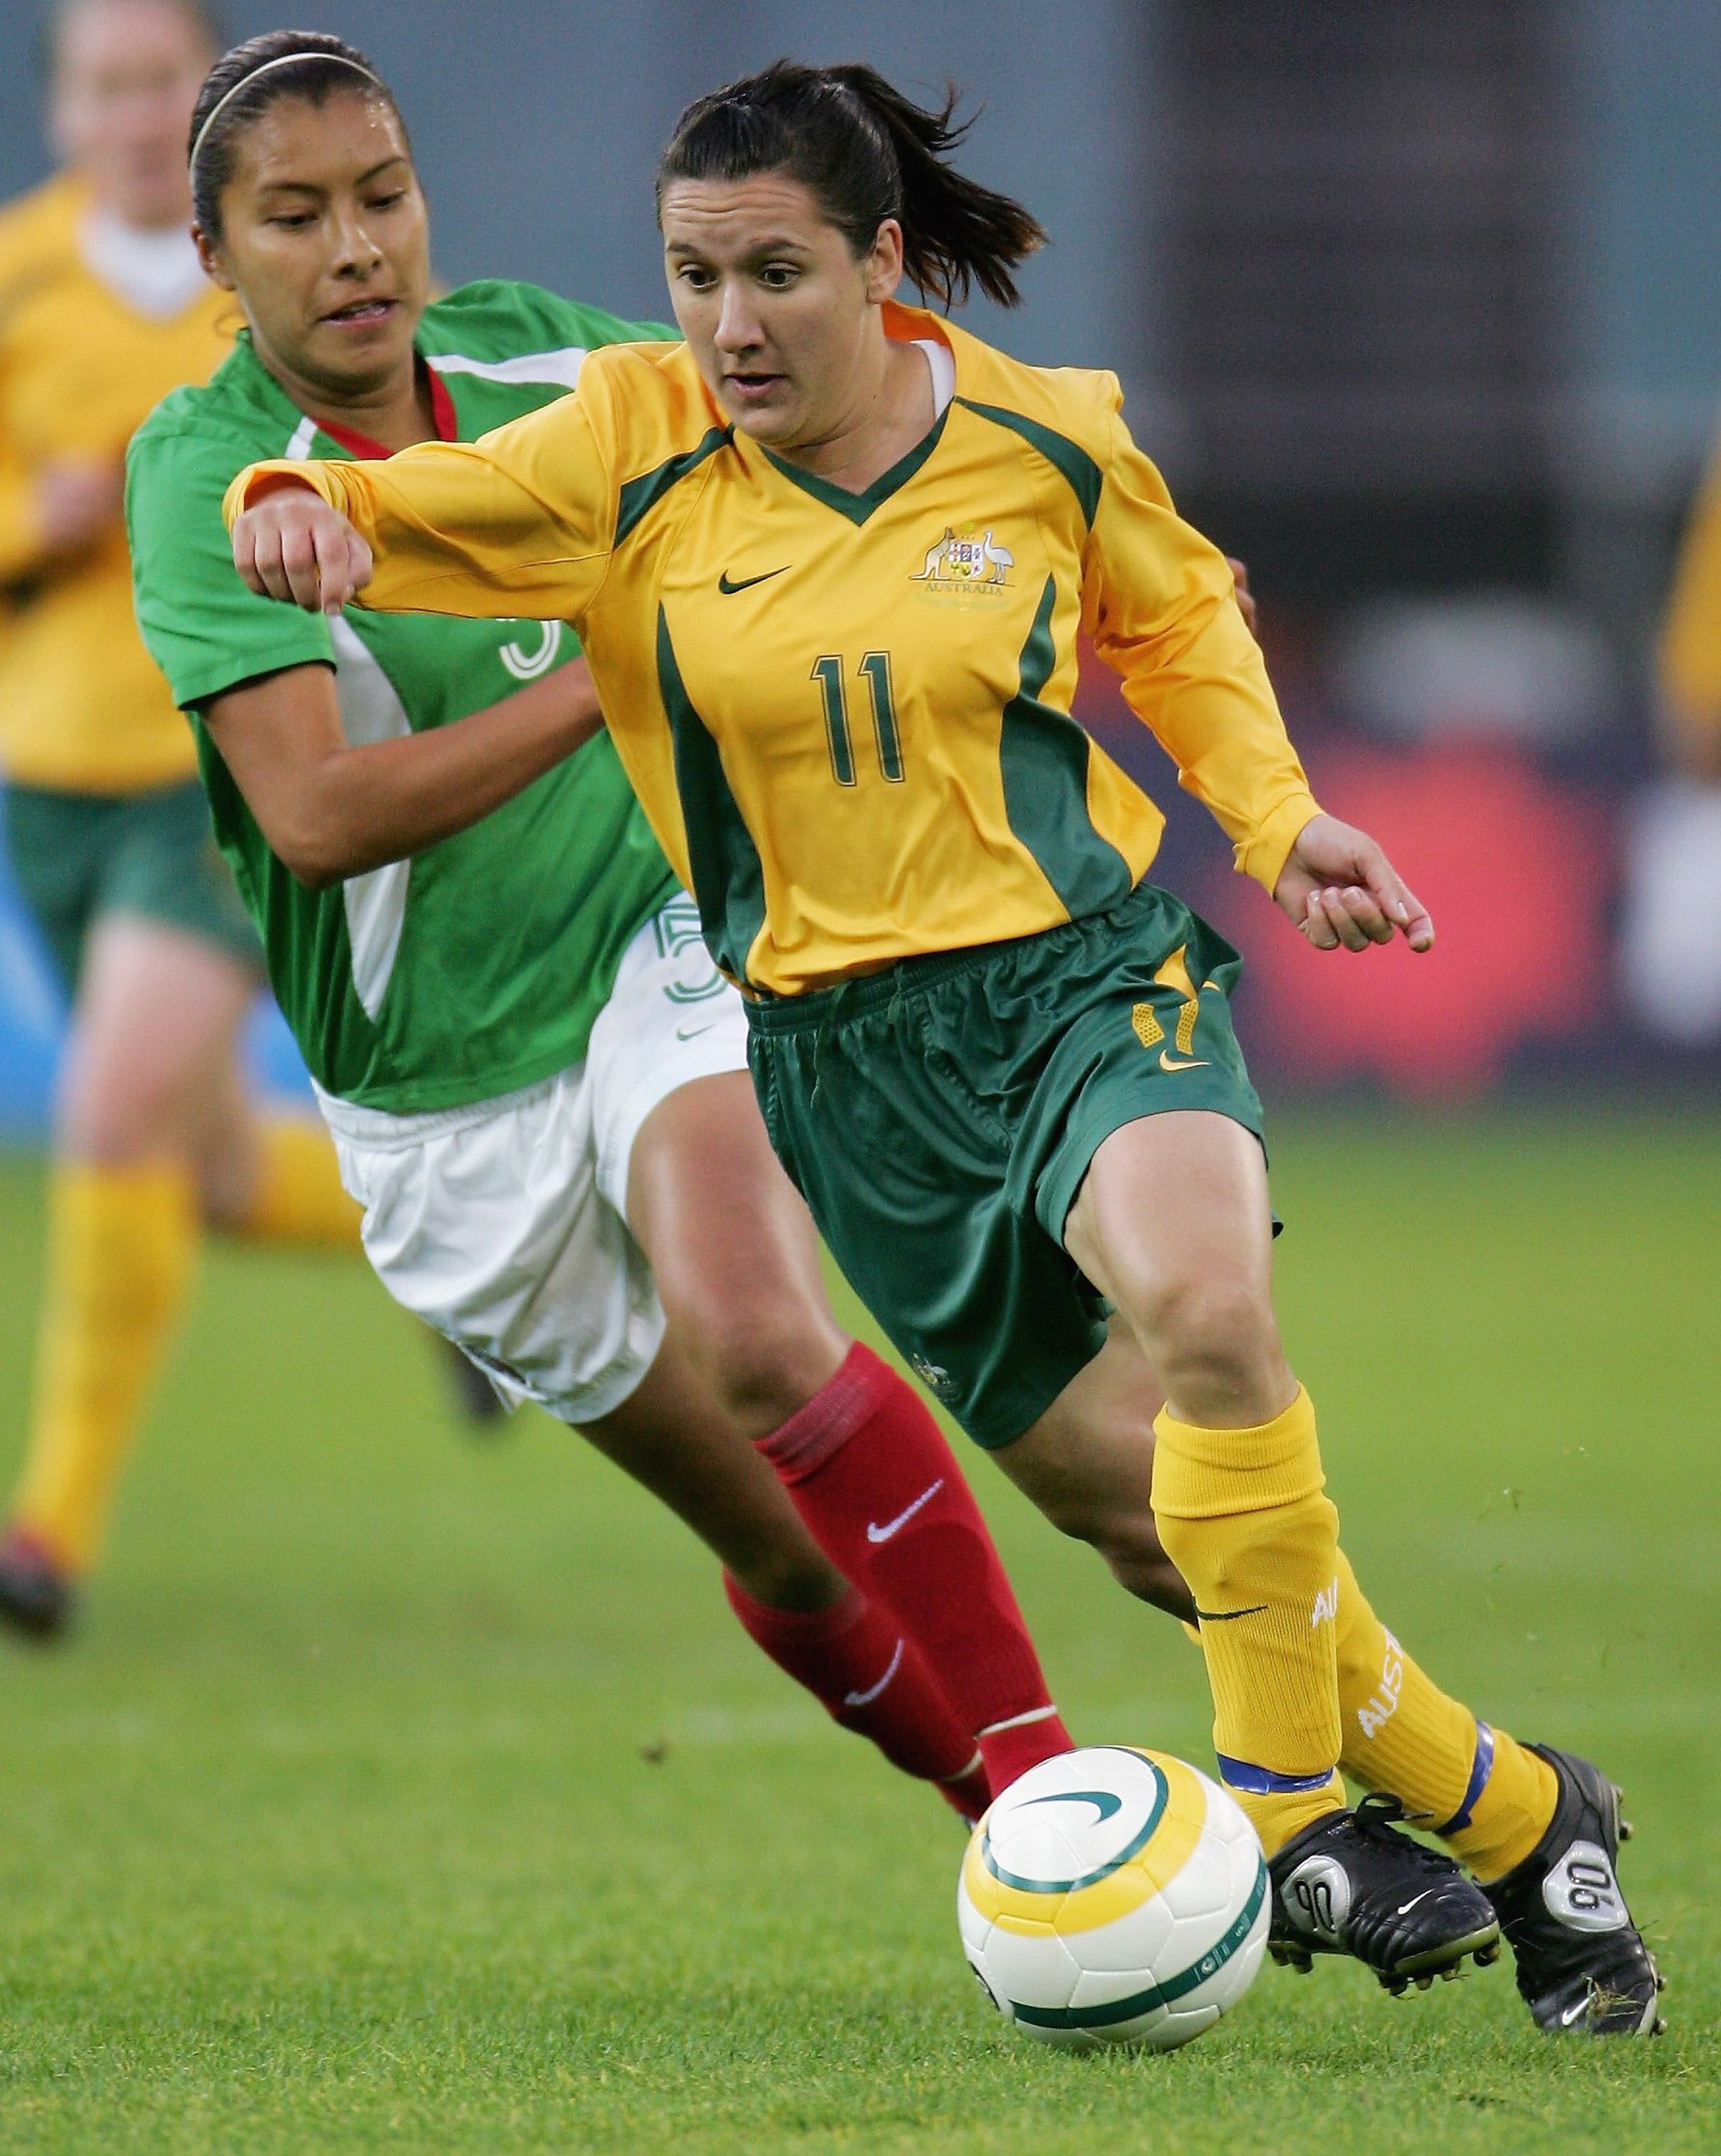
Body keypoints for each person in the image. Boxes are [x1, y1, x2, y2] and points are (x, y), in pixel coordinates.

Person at [221, 56, 1666, 2037]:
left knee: (1208, 1317)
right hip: (842, 1071)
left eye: (775, 274)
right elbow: (382, 506)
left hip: (1077, 985)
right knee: (1150, 1523)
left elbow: (1175, 622)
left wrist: (1275, 824)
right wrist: (283, 504)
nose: (728, 324)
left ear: (884, 265)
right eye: (691, 276)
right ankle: (1519, 1813)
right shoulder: (626, 444)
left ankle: (1268, 1817)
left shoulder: (1040, 437)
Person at [126, 29, 1099, 1830]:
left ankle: (1061, 1815)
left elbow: (810, 394)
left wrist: (1069, 501)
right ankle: (1007, 1821)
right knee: (785, 1555)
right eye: (294, 216)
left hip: (651, 941)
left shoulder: (551, 362)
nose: (355, 249)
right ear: (216, 259)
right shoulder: (205, 480)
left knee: (758, 1326)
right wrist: (608, 671)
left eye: (383, 197)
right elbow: (317, 823)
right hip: (435, 1104)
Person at [0, 0, 369, 1641]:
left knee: (105, 1114)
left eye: (167, 81)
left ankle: (45, 1537)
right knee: (200, 1167)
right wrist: (39, 518)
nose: (139, 111)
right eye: (107, 83)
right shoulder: (17, 281)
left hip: (221, 764)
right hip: (46, 780)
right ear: (62, 108)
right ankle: (455, 1259)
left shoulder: (277, 282)